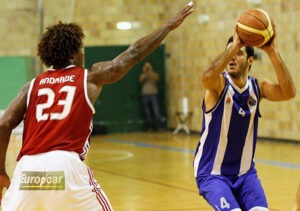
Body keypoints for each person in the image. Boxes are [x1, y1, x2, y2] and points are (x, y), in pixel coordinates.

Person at [0, 2, 194, 210]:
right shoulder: (87, 77)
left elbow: (4, 124)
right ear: (75, 52)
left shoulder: (32, 85)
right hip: (65, 165)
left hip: (26, 171)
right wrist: (167, 26)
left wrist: (1, 171)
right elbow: (133, 53)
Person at [193, 21, 296, 210]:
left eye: (238, 54)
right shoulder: (218, 87)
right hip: (213, 174)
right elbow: (206, 77)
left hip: (245, 174)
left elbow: (288, 92)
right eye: (230, 53)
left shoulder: (258, 88)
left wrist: (272, 51)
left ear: (250, 60)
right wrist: (234, 47)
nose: (231, 58)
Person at [139, 61, 162, 131]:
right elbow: (141, 80)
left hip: (153, 95)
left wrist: (150, 72)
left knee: (156, 111)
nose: (147, 68)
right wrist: (145, 72)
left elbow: (156, 79)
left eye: (148, 66)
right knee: (148, 112)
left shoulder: (154, 74)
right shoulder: (143, 74)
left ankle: (159, 127)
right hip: (145, 95)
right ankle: (150, 127)